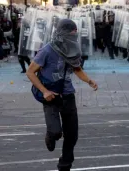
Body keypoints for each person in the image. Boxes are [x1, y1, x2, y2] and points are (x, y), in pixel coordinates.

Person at [26, 19, 98, 171]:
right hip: (51, 96)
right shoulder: (46, 50)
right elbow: (30, 72)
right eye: (71, 34)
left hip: (68, 96)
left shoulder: (73, 49)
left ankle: (64, 165)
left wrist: (89, 81)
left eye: (75, 34)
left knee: (72, 135)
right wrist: (44, 91)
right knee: (56, 132)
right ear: (61, 34)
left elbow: (77, 69)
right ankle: (50, 135)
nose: (74, 37)